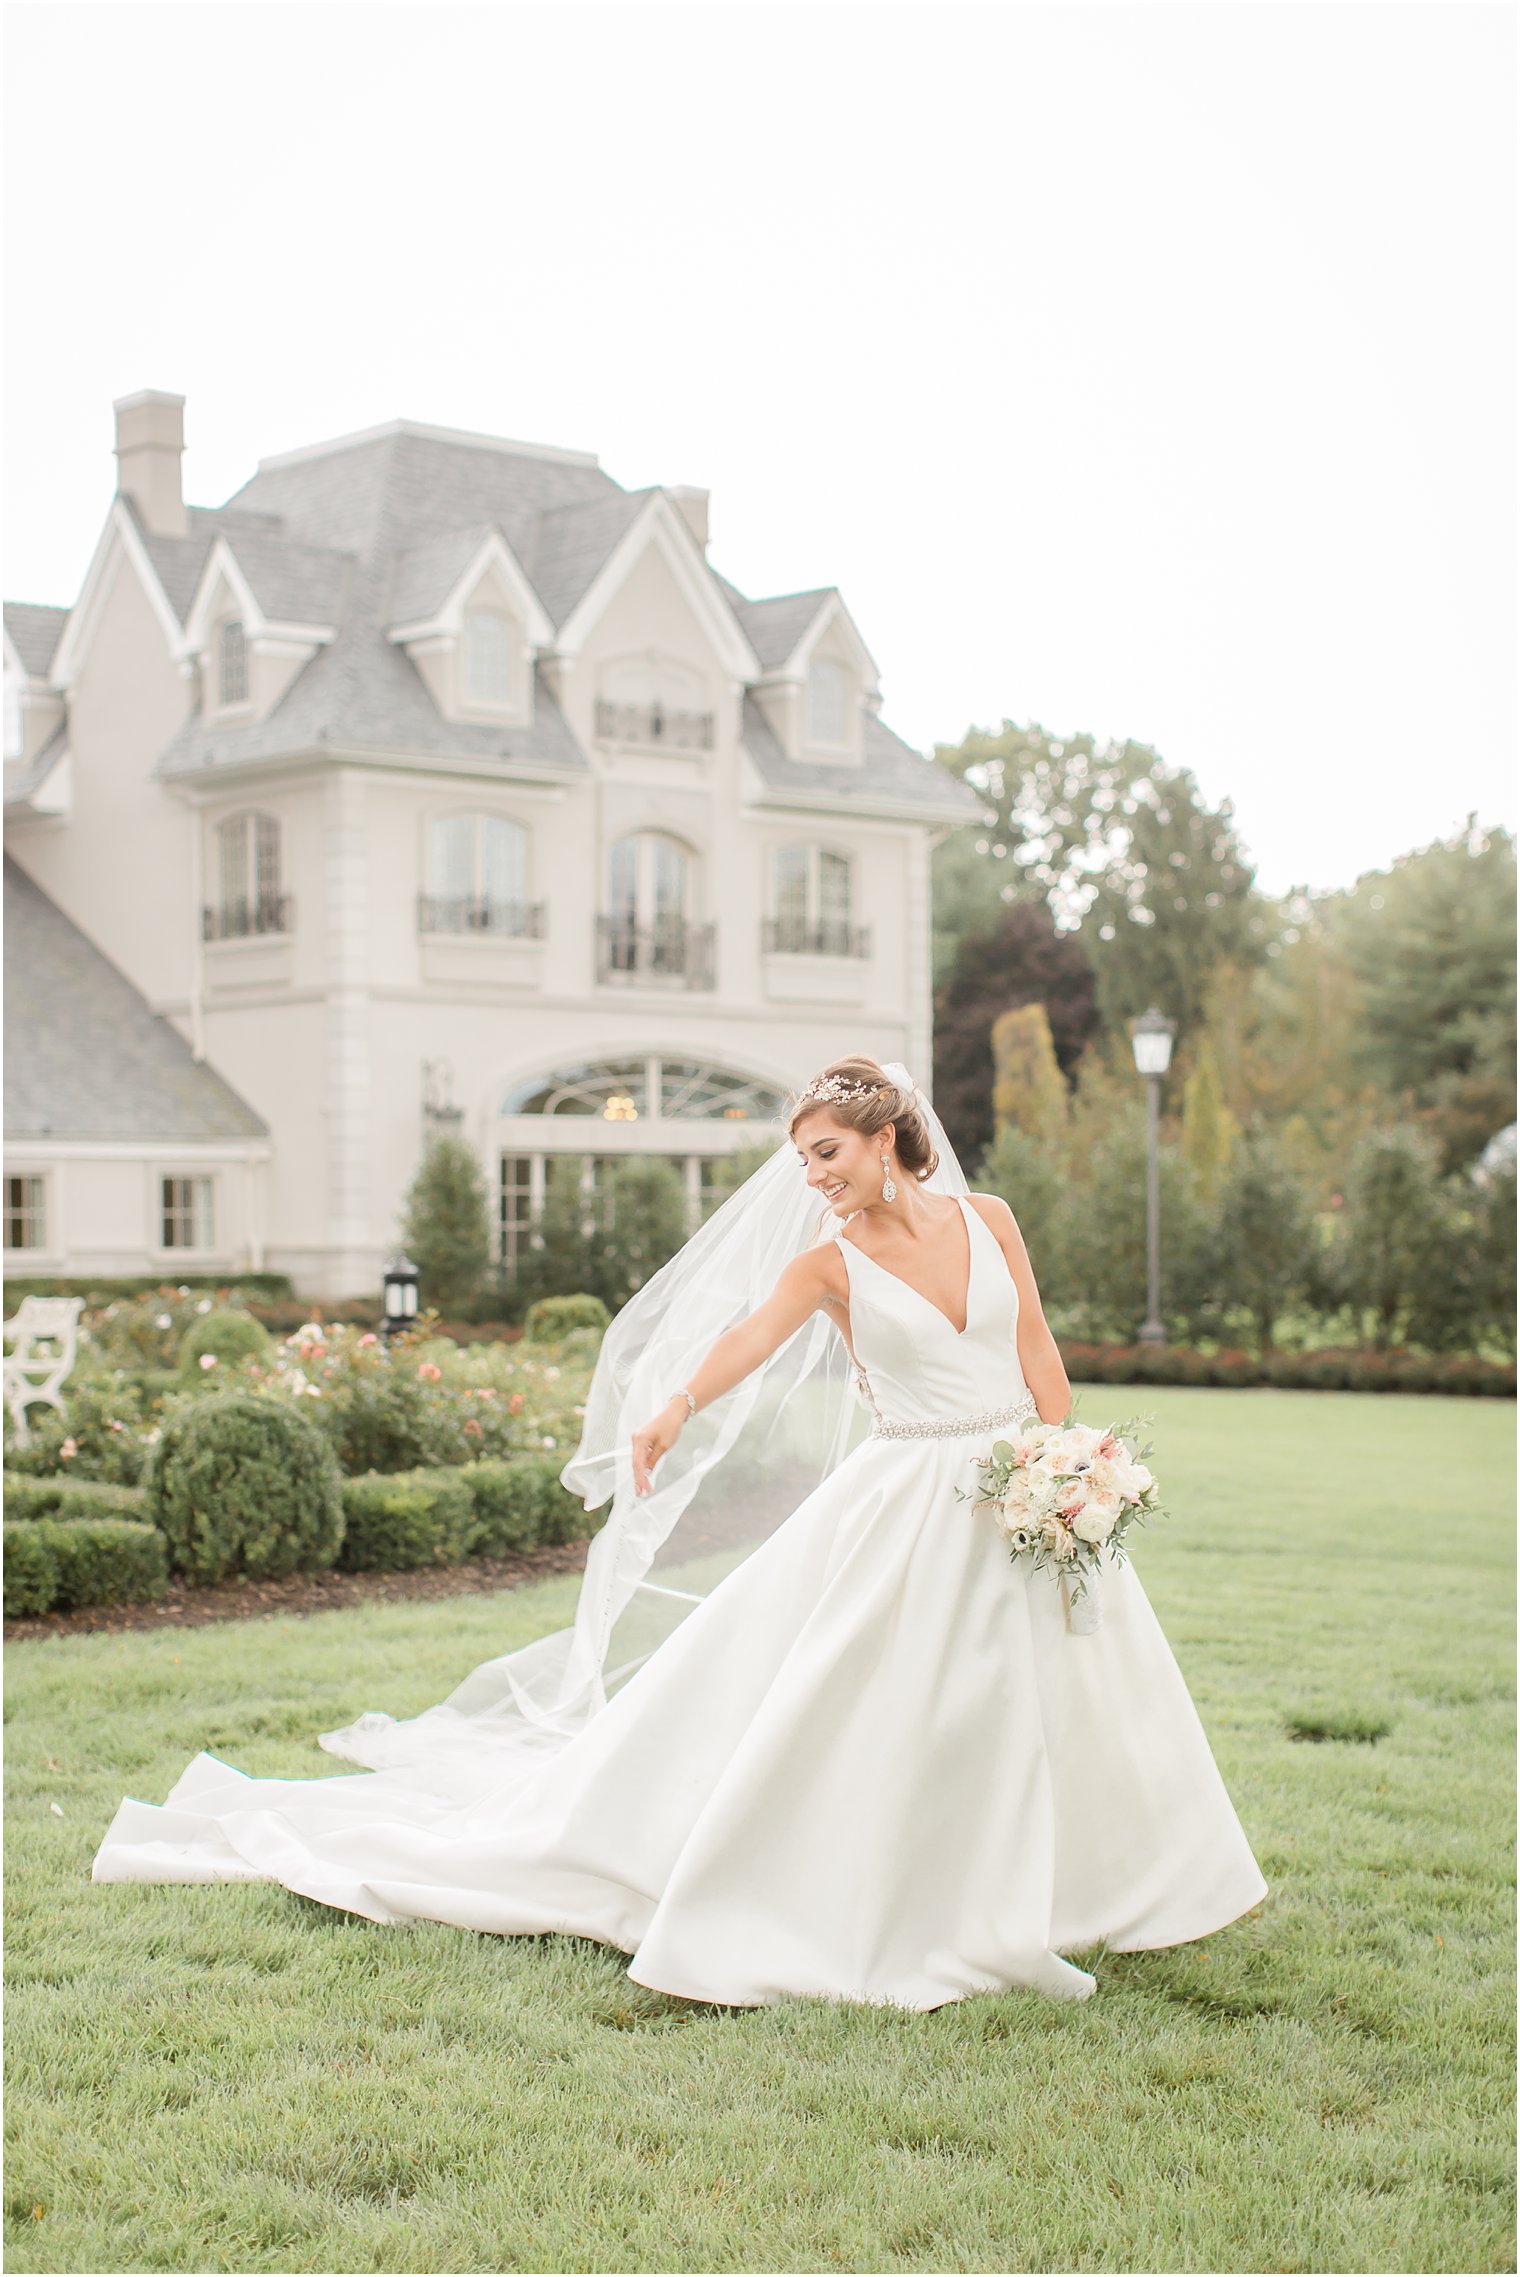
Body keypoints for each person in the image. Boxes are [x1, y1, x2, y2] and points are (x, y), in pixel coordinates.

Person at [92, 1056, 1268, 2010]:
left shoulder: (989, 1218)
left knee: (1067, 1697)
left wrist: (1066, 1461)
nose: (812, 1175)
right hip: (909, 1505)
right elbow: (748, 1340)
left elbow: (1038, 1351)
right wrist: (670, 1408)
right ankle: (903, 1901)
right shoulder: (827, 1263)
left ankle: (1093, 1890)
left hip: (1028, 1489)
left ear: (886, 1135)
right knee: (901, 1703)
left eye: (828, 1152)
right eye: (801, 1159)